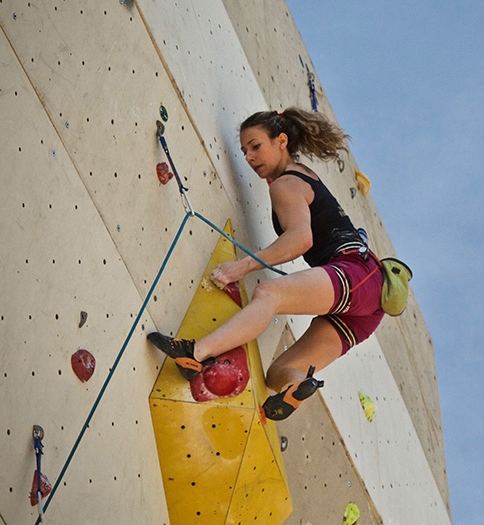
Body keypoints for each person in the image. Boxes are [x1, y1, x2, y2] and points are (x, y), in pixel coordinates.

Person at [148, 108, 384, 420]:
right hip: (366, 306)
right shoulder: (301, 176)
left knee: (268, 295)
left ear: (281, 141)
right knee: (280, 373)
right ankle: (298, 386)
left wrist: (241, 267)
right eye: (244, 151)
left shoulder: (285, 184)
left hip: (359, 273)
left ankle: (195, 353)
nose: (248, 157)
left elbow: (301, 239)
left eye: (256, 146)